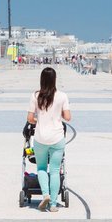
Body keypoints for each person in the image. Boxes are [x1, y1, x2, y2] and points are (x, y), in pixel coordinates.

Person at [26, 67, 71, 212]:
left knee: (41, 168)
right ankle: (52, 204)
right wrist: (58, 116)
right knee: (55, 170)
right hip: (57, 137)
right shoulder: (62, 96)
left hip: (40, 138)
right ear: (55, 79)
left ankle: (45, 194)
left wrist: (39, 120)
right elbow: (68, 117)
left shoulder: (35, 96)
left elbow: (30, 119)